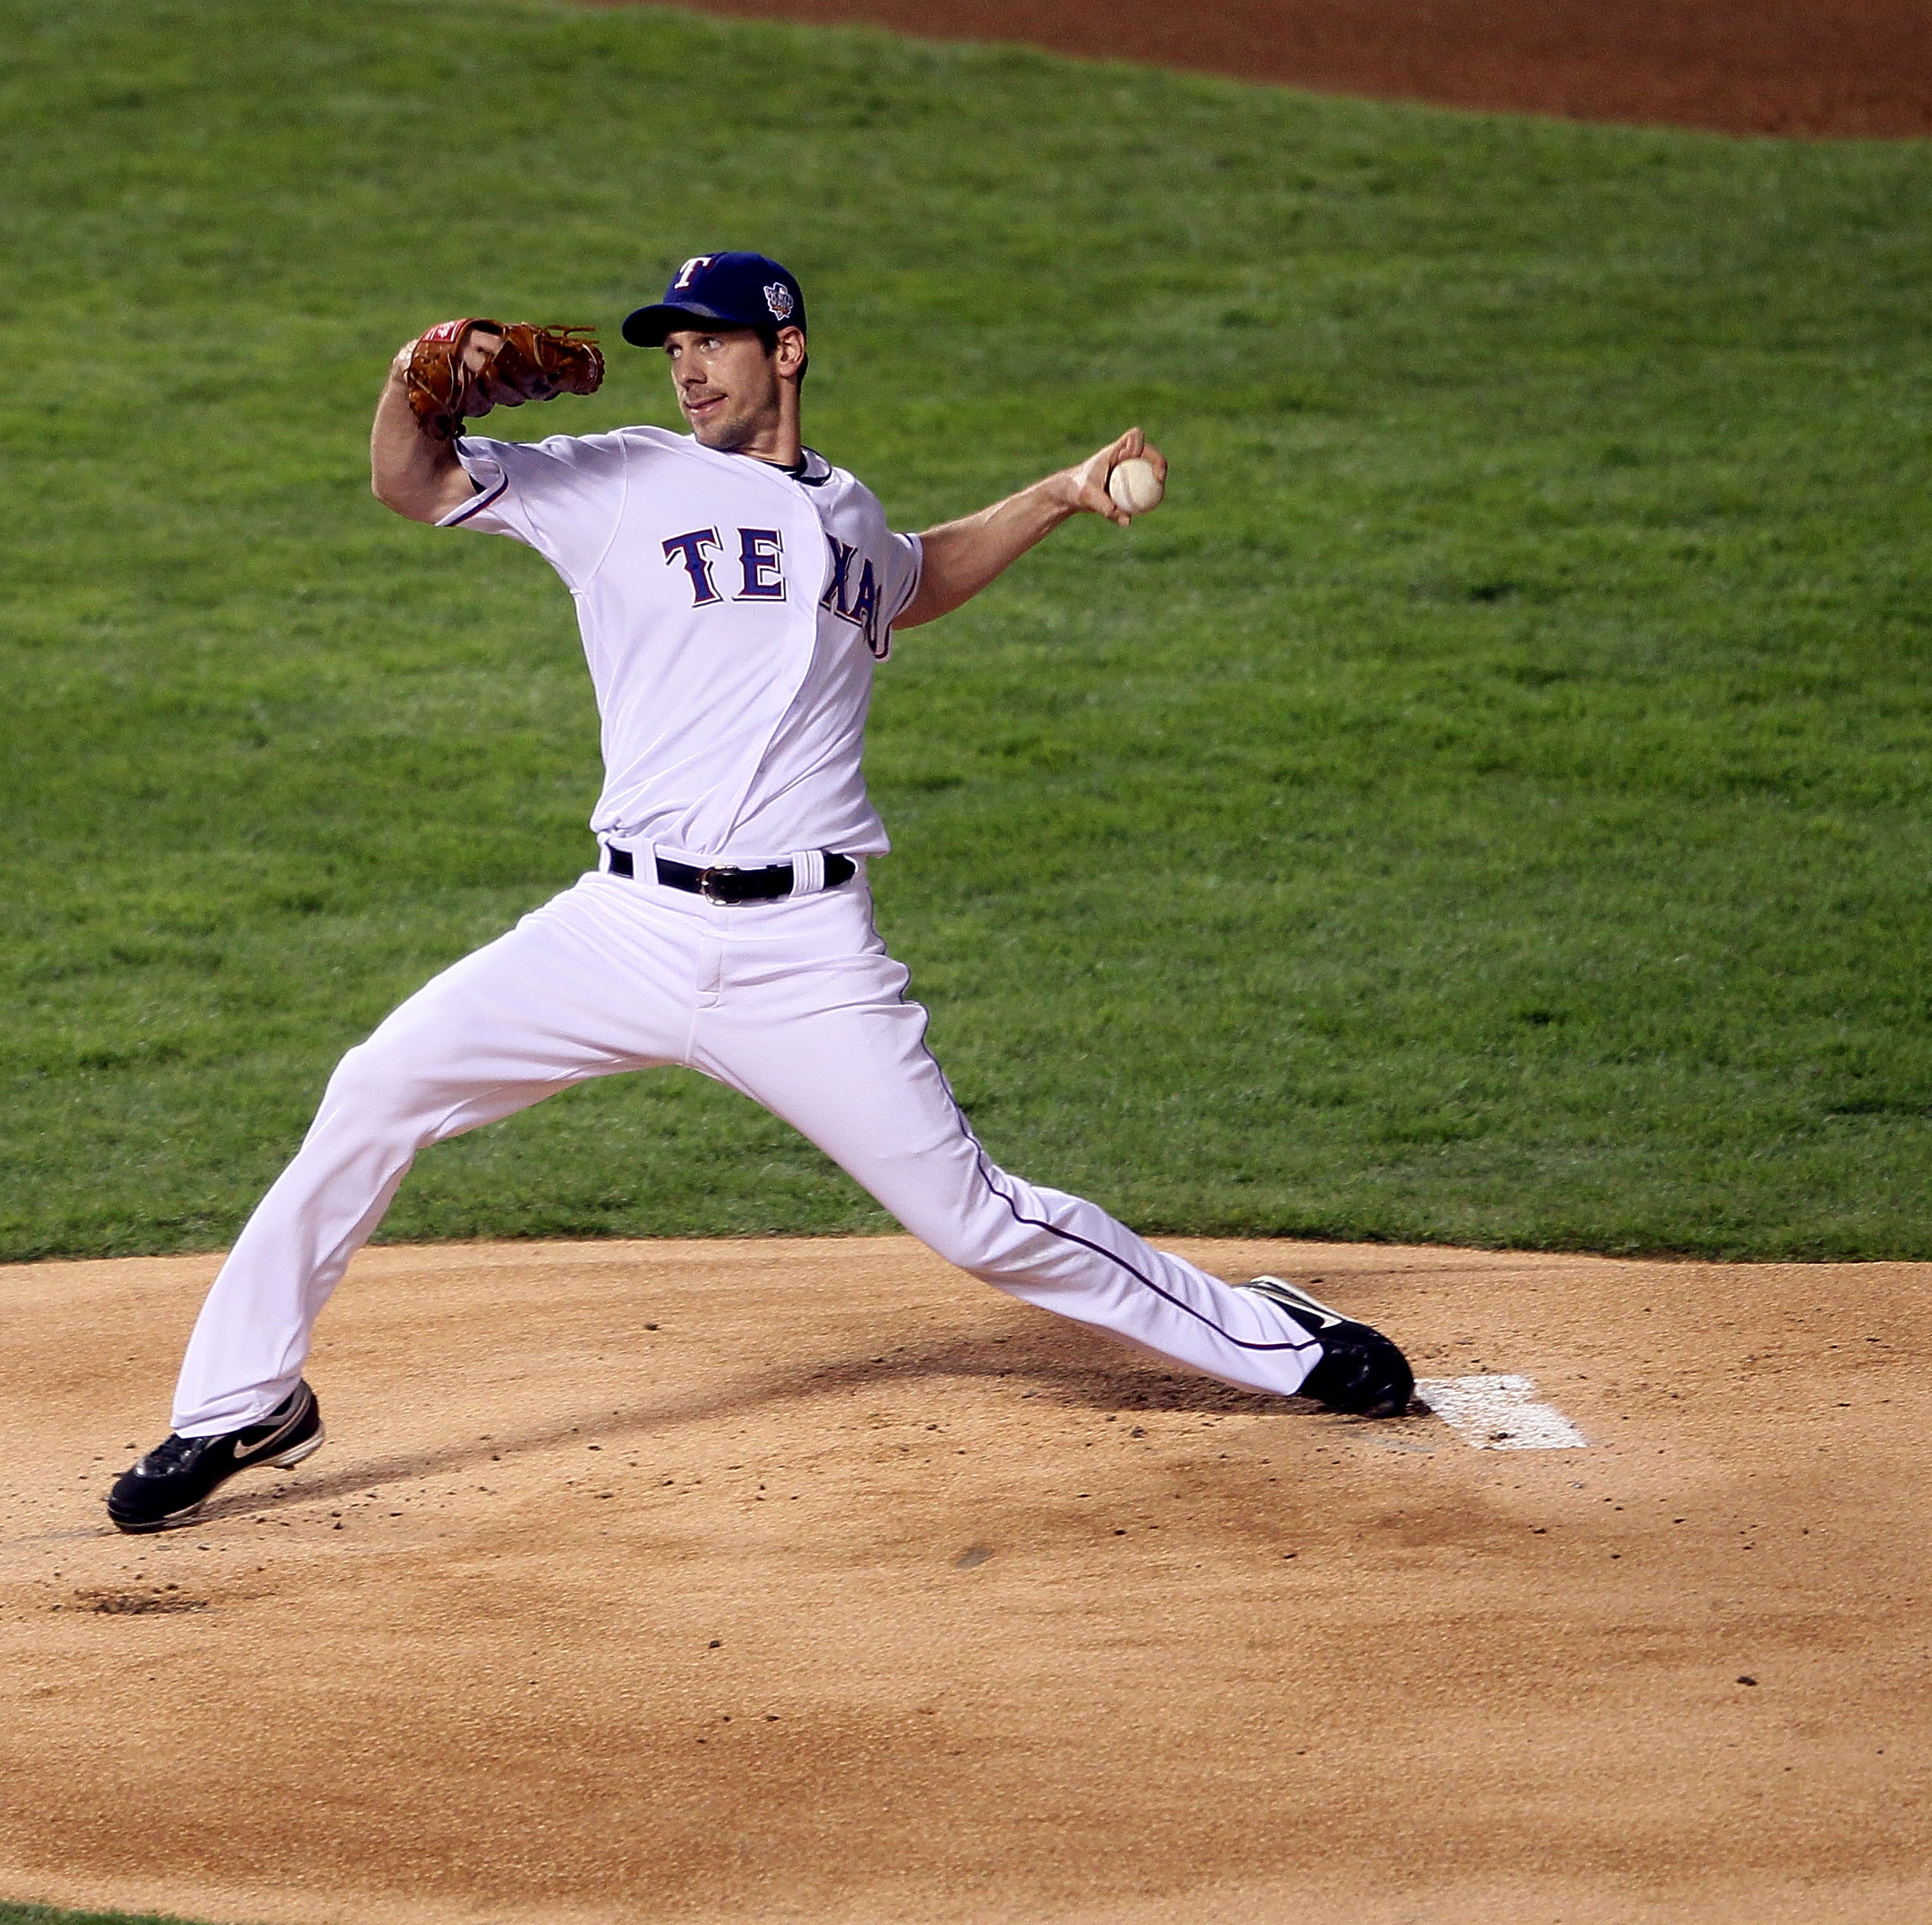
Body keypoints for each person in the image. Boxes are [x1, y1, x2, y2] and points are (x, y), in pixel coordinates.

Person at [104, 252, 1413, 1535]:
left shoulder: (847, 510)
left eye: (712, 342)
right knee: (375, 1088)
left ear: (784, 351)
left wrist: (1062, 495)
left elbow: (913, 576)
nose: (686, 369)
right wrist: (415, 379)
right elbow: (412, 482)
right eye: (672, 348)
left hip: (805, 954)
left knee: (976, 1220)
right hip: (620, 929)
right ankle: (244, 1402)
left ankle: (1281, 1342)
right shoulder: (617, 477)